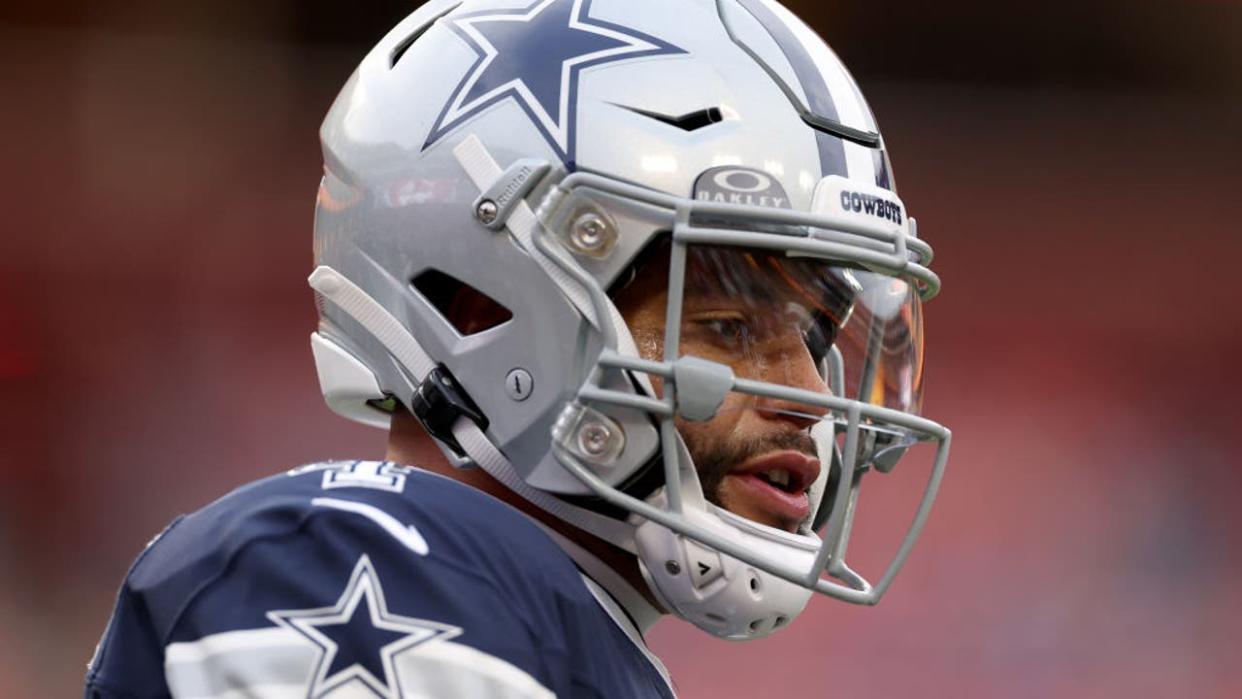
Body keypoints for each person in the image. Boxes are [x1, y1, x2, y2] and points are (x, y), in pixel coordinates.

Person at [85, 0, 951, 696]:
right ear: (477, 308)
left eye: (812, 335)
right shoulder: (371, 564)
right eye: (728, 326)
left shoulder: (560, 629)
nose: (807, 395)